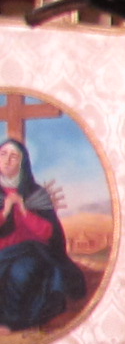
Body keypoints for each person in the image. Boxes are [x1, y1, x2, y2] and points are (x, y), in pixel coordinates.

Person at [0, 138, 86, 332]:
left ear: (22, 162)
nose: (7, 160)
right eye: (3, 154)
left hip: (32, 251)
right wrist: (5, 211)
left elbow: (48, 233)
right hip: (2, 251)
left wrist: (23, 210)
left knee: (21, 272)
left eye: (13, 156)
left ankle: (13, 323)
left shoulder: (36, 193)